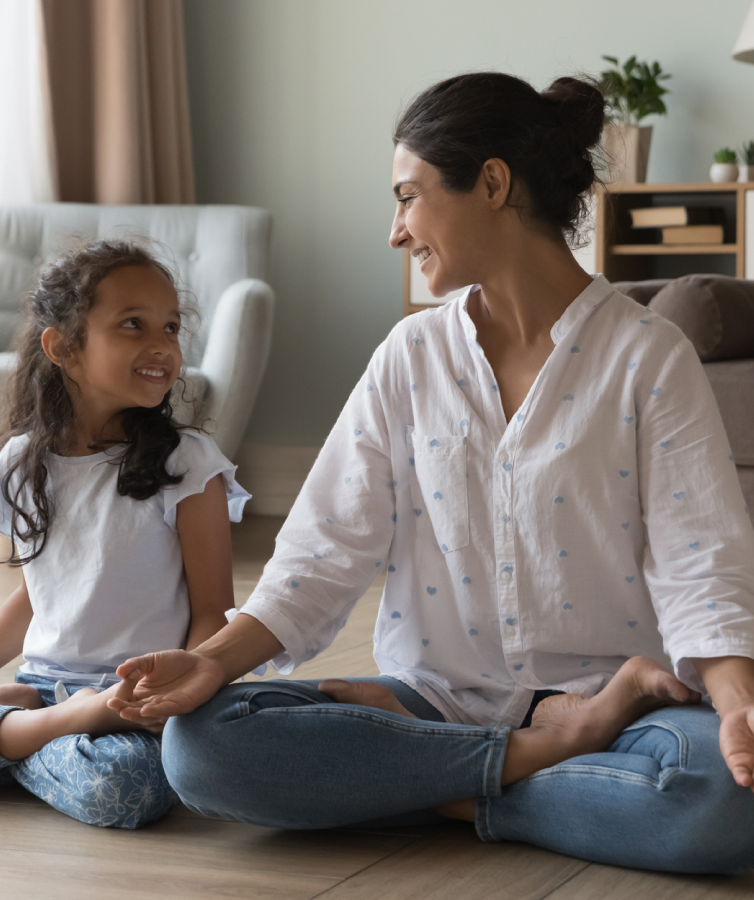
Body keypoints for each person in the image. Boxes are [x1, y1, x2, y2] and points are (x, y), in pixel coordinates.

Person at [105, 73, 754, 872]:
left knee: (731, 794)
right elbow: (319, 556)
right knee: (202, 747)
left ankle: (444, 782)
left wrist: (738, 705)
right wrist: (212, 662)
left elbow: (703, 565)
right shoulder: (409, 357)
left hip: (617, 705)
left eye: (407, 197)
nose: (395, 230)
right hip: (435, 697)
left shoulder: (648, 357)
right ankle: (526, 767)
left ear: (491, 183)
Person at [0, 239, 249, 829]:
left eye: (170, 326)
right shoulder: (21, 460)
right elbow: (36, 594)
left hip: (128, 702)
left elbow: (214, 609)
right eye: (133, 325)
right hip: (45, 689)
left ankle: (3, 729)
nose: (162, 345)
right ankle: (42, 723)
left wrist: (169, 699)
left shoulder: (190, 464)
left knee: (127, 789)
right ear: (64, 347)